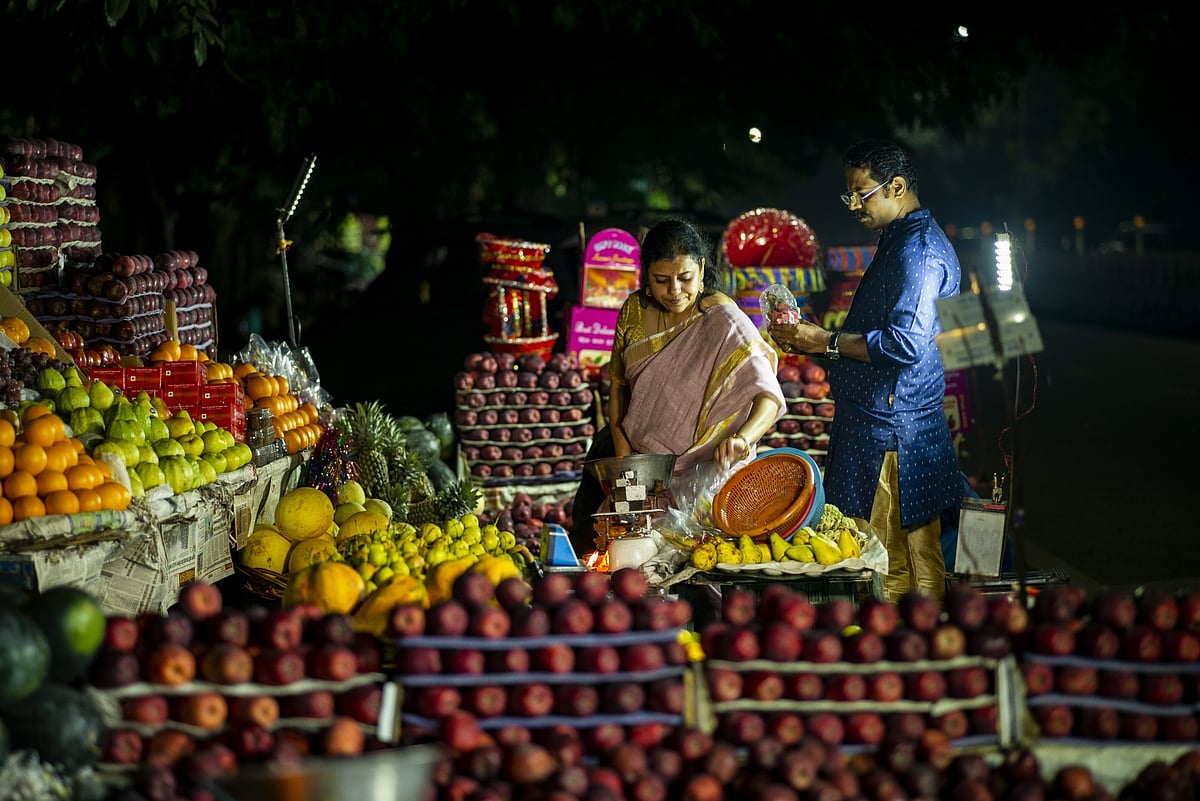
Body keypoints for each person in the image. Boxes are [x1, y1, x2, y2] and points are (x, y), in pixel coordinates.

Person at [768, 139, 963, 605]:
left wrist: (825, 342)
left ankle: (900, 657)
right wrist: (813, 343)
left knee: (890, 565)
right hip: (881, 426)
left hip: (894, 437)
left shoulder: (916, 252)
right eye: (848, 195)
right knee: (900, 557)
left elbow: (904, 344)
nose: (854, 205)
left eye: (862, 193)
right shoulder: (898, 240)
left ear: (896, 187)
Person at [568, 218, 786, 555]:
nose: (674, 291)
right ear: (646, 276)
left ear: (701, 269)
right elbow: (618, 388)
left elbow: (767, 395)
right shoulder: (634, 311)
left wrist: (743, 438)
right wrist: (628, 468)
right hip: (634, 462)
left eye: (684, 279)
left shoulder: (723, 319)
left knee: (689, 567)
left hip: (701, 476)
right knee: (611, 557)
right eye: (661, 281)